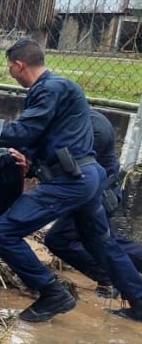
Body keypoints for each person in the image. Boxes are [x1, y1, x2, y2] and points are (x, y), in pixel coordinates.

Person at [0, 38, 142, 323]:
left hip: (71, 181)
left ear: (19, 65)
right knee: (101, 244)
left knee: (2, 232)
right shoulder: (59, 89)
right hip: (87, 177)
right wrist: (30, 162)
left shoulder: (49, 88)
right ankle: (141, 302)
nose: (10, 72)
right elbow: (43, 137)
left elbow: (25, 129)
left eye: (10, 67)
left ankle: (52, 293)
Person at [44, 110, 142, 298]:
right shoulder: (77, 120)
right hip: (95, 191)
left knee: (61, 239)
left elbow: (70, 168)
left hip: (97, 193)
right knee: (106, 242)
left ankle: (111, 277)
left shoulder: (93, 128)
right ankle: (114, 278)